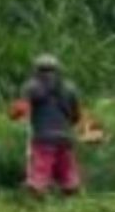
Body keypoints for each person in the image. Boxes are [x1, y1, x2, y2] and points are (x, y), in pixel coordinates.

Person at [10, 52, 101, 197]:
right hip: (65, 139)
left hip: (42, 139)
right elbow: (77, 115)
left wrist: (17, 114)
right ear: (58, 69)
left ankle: (37, 204)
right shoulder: (70, 88)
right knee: (68, 176)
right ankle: (71, 199)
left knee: (38, 178)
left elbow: (18, 113)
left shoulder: (31, 87)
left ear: (36, 70)